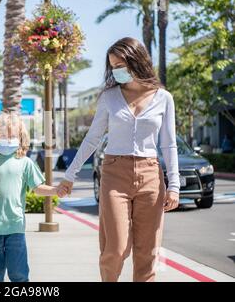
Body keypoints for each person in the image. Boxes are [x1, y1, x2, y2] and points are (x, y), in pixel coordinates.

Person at [60, 37, 180, 282]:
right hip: (114, 173)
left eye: (121, 65)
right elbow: (92, 139)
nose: (116, 71)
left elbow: (168, 143)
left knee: (147, 254)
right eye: (113, 66)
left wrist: (174, 185)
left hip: (150, 175)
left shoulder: (163, 98)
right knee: (115, 249)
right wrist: (69, 175)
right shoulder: (109, 97)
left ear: (137, 61)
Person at [0, 113, 68, 282]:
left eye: (13, 136)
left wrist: (55, 190)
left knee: (19, 276)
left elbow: (37, 188)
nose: (8, 140)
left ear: (21, 138)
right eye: (3, 136)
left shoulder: (25, 162)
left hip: (15, 229)